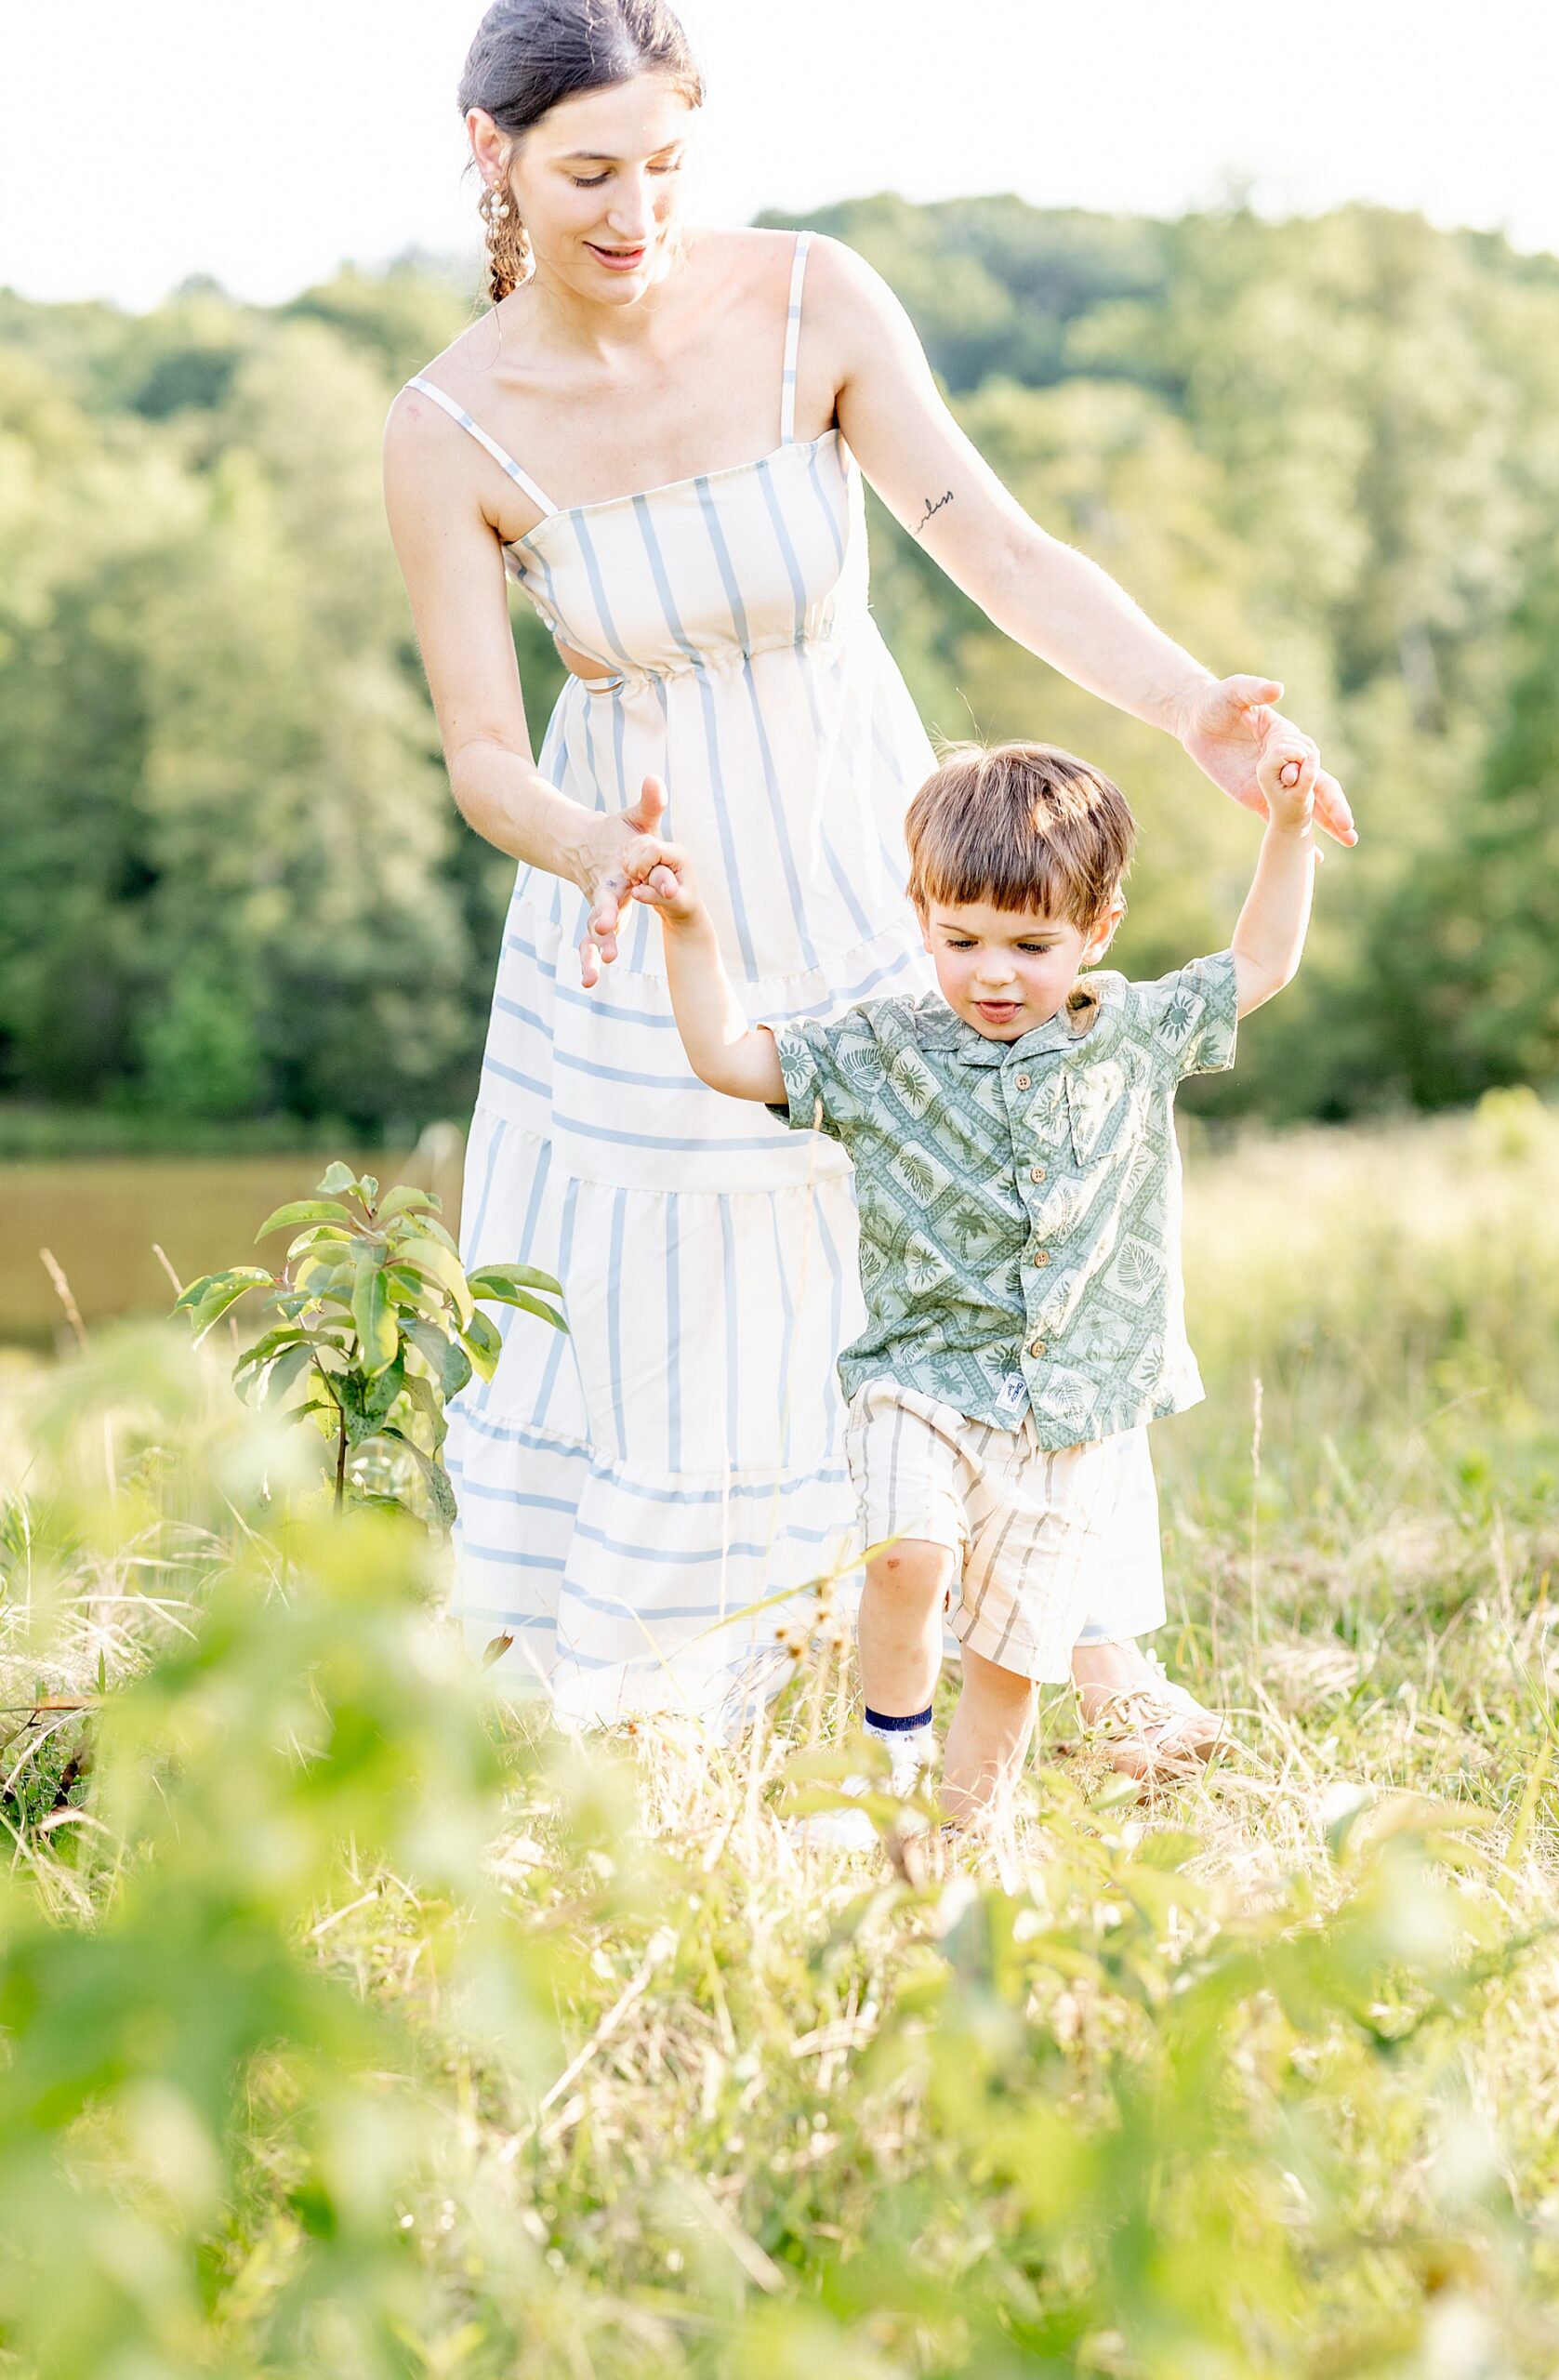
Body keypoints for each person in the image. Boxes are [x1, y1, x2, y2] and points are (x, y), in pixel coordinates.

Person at [382, 0, 1354, 1732]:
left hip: (860, 829)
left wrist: (1191, 700)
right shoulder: (446, 429)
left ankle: (1081, 1641)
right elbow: (479, 755)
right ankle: (727, 1653)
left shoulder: (810, 299)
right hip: (647, 877)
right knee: (692, 1256)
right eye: (589, 174)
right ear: (492, 154)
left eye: (666, 167)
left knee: (975, 1199)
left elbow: (998, 547)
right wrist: (591, 843)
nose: (634, 214)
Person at [644, 729, 1320, 1823]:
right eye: (959, 939)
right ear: (922, 916)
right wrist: (690, 926)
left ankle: (952, 1847)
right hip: (922, 1378)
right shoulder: (884, 1048)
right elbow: (729, 1054)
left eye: (1030, 944)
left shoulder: (1132, 1032)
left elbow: (1261, 963)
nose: (992, 972)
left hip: (1076, 1410)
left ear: (1097, 931)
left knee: (1012, 1666)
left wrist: (1288, 829)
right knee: (908, 1557)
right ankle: (884, 1770)